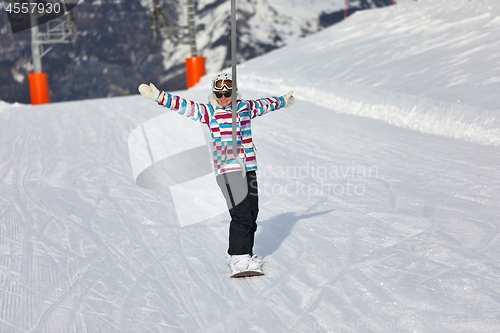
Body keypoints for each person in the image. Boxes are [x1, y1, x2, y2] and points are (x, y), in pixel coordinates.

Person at [138, 73, 295, 276]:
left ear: (234, 92)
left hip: (248, 166)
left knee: (252, 212)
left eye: (227, 93)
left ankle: (243, 253)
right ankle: (239, 259)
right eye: (219, 94)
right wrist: (159, 97)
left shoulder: (244, 107)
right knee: (241, 213)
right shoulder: (210, 111)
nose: (223, 98)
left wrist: (283, 101)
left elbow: (265, 104)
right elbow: (185, 106)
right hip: (227, 169)